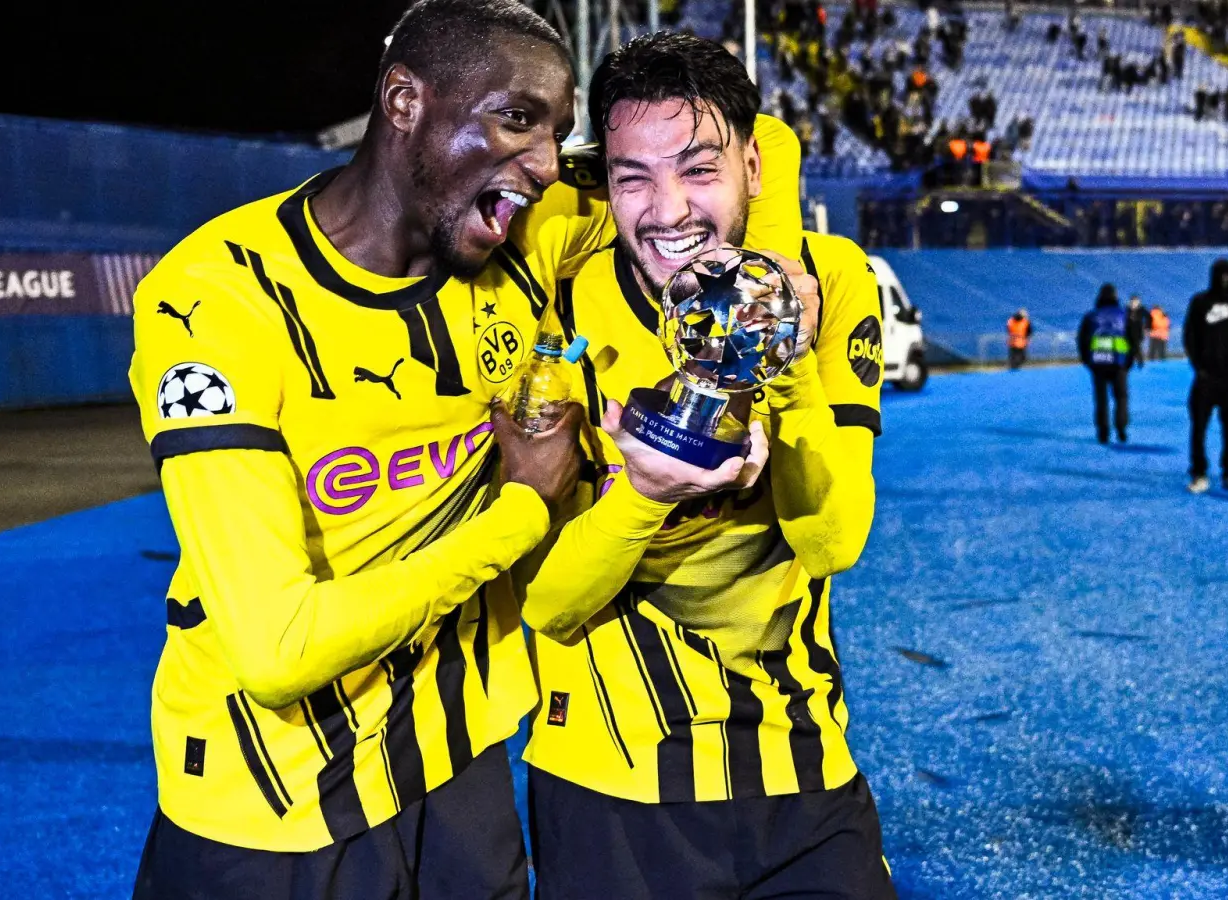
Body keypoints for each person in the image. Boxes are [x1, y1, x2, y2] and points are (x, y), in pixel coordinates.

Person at [125, 2, 806, 897]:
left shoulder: (519, 233)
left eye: (557, 136)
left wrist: (774, 275)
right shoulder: (222, 301)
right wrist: (520, 511)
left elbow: (761, 146)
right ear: (403, 100)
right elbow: (274, 649)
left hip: (463, 774)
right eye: (516, 119)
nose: (541, 167)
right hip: (272, 807)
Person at [519, 33, 895, 900]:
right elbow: (549, 603)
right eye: (632, 178)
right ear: (601, 183)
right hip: (609, 782)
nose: (667, 211)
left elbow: (833, 539)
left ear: (753, 168)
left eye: (698, 170)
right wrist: (645, 494)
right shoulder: (561, 305)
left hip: (800, 766)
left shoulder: (830, 280)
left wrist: (785, 350)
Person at [1185, 259, 1228, 494]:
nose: (1224, 279)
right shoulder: (1200, 302)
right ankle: (1199, 472)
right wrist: (1199, 366)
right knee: (1199, 427)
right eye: (1220, 274)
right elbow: (1190, 336)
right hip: (1205, 377)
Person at [1079, 284, 1134, 444]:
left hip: (1098, 362)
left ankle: (1103, 432)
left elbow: (1082, 340)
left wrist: (1087, 360)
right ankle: (1121, 428)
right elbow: (1132, 339)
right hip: (1119, 363)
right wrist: (1129, 360)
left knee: (1101, 399)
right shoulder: (1124, 315)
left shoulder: (1091, 316)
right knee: (1121, 397)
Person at [1126, 294, 1148, 370]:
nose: (1134, 303)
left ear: (1138, 302)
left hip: (1138, 333)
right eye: (1133, 301)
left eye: (1136, 301)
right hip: (1128, 332)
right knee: (1129, 348)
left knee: (1137, 348)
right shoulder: (1126, 309)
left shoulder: (1142, 309)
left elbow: (1149, 318)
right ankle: (1129, 364)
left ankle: (1140, 363)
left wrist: (1147, 327)